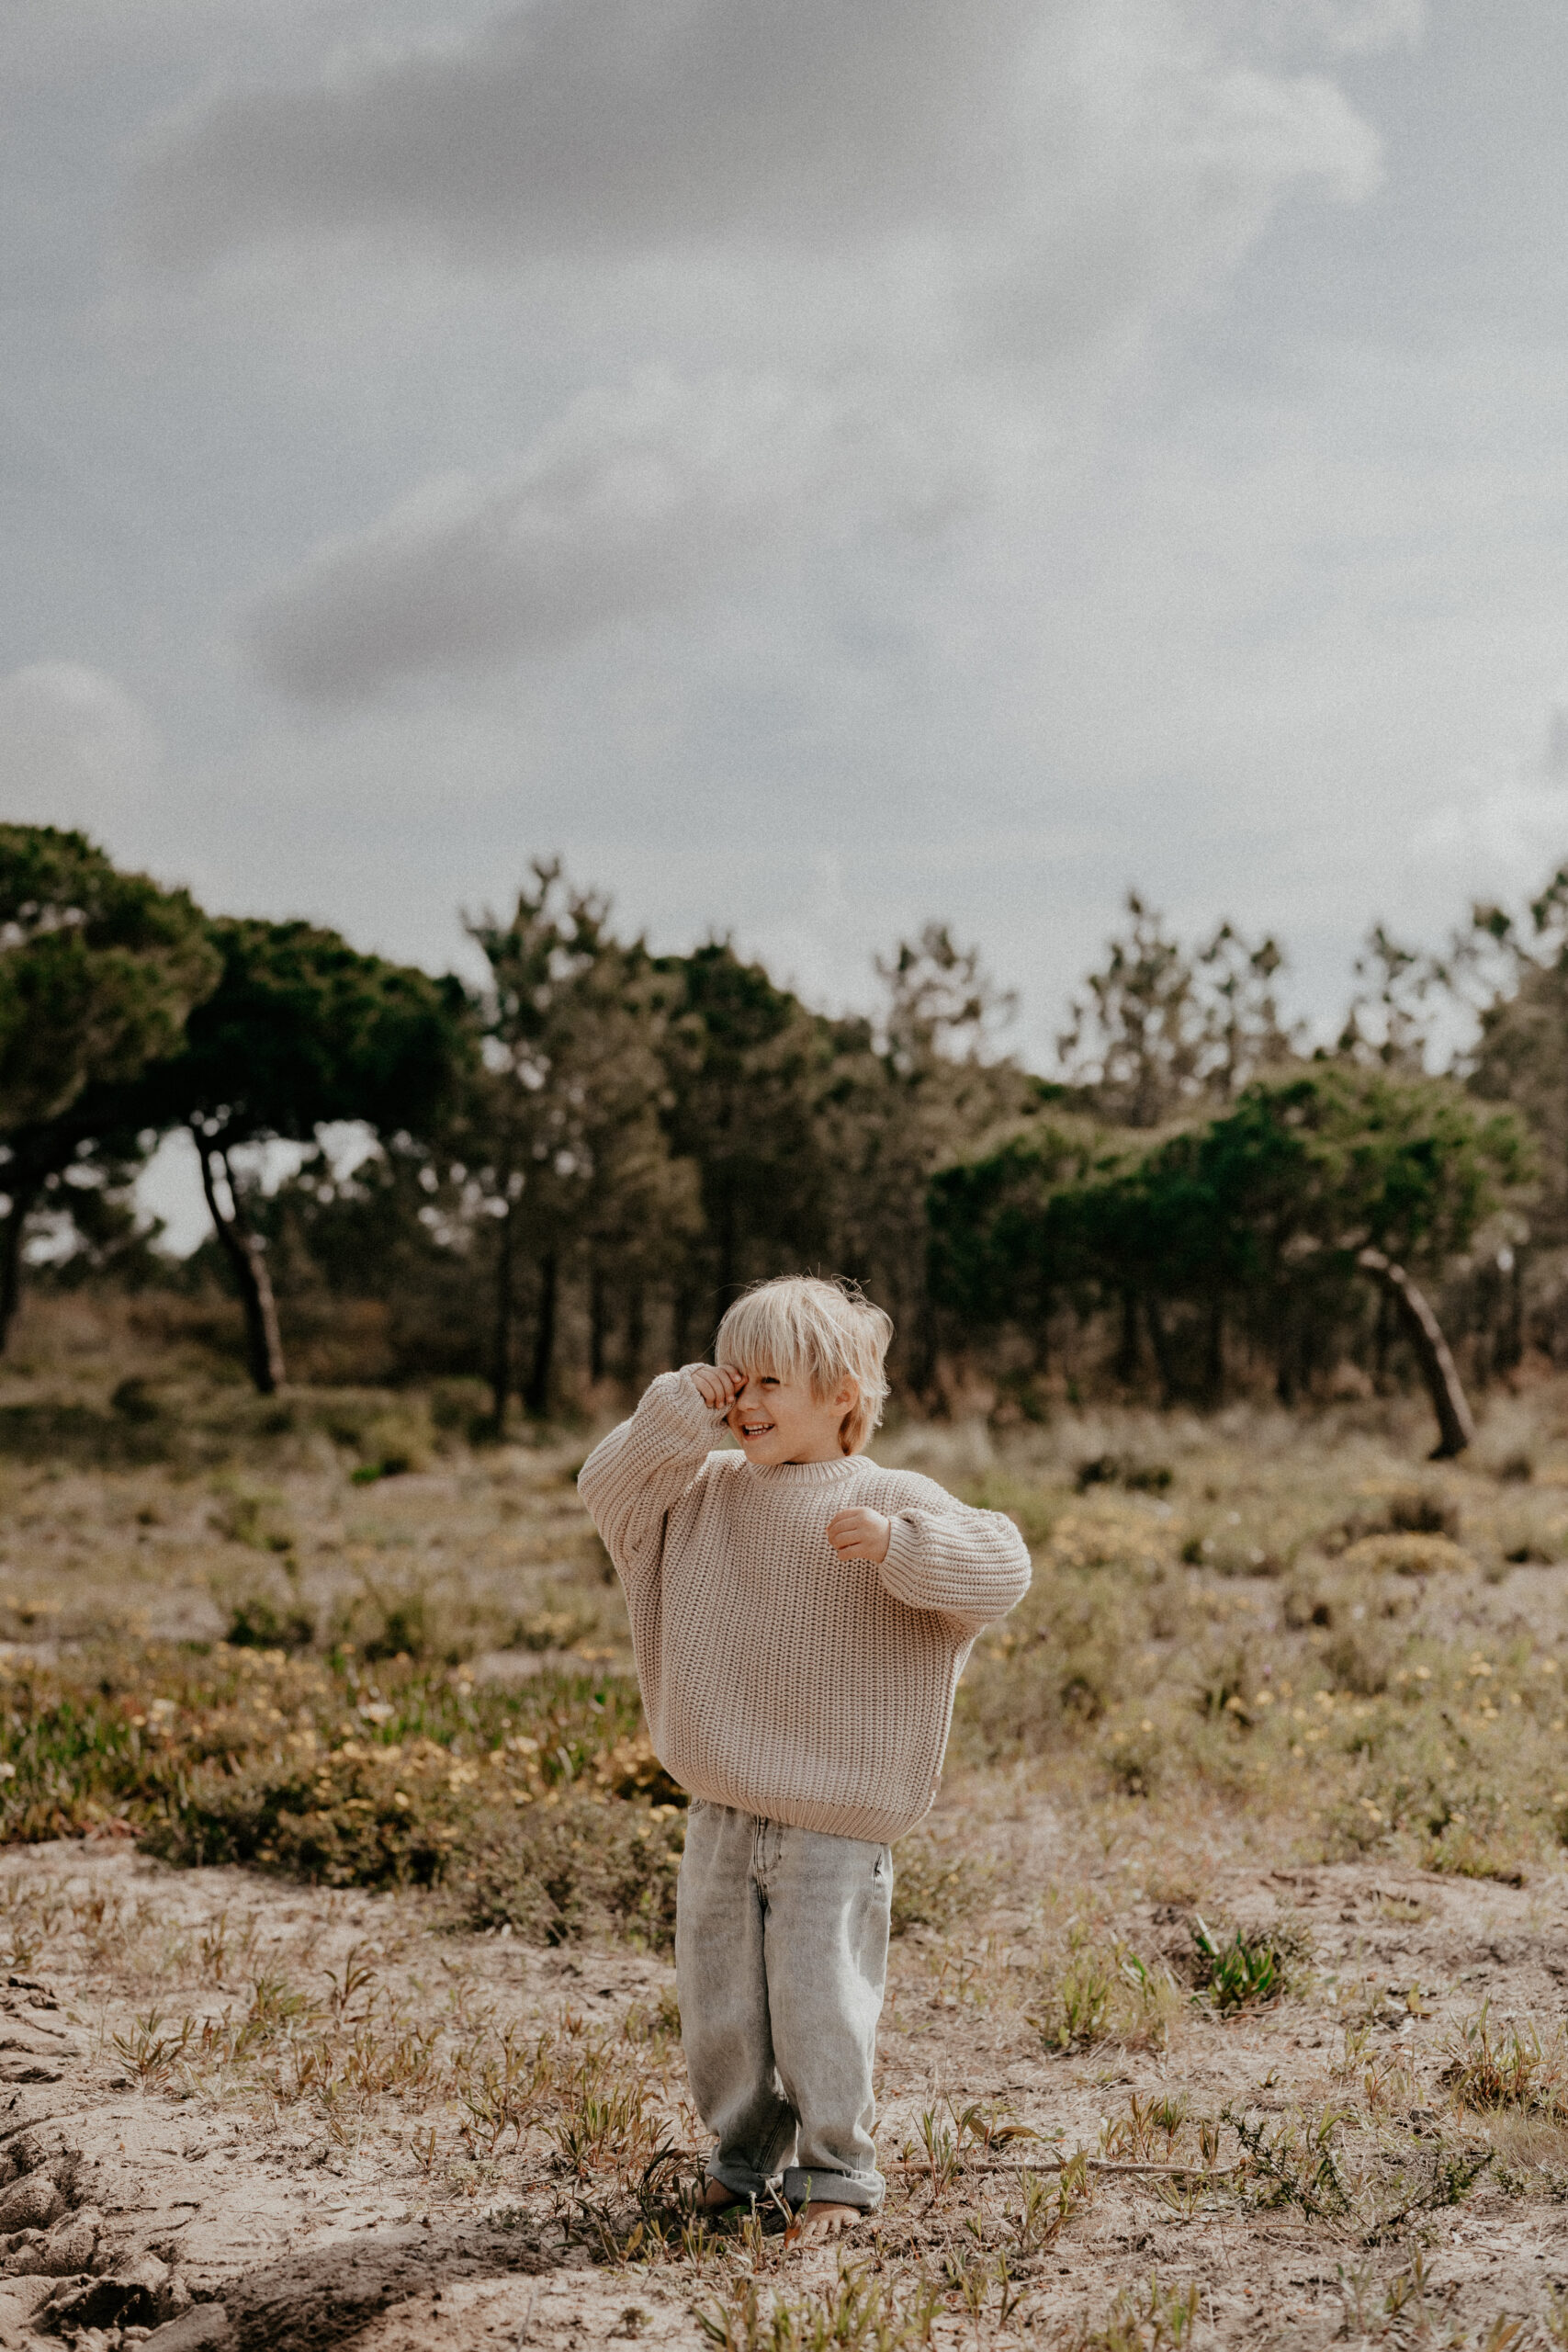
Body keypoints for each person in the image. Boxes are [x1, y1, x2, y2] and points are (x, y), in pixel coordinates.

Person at [577, 1274, 1032, 2246]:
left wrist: (900, 1548)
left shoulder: (889, 1496)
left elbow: (1003, 1569)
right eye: (730, 1378)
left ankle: (836, 2171)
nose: (741, 1400)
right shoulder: (698, 1492)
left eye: (768, 1381)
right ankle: (742, 2164)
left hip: (836, 1819)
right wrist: (676, 1410)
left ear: (841, 1395)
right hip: (721, 1807)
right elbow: (604, 1487)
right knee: (723, 2006)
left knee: (820, 2003)